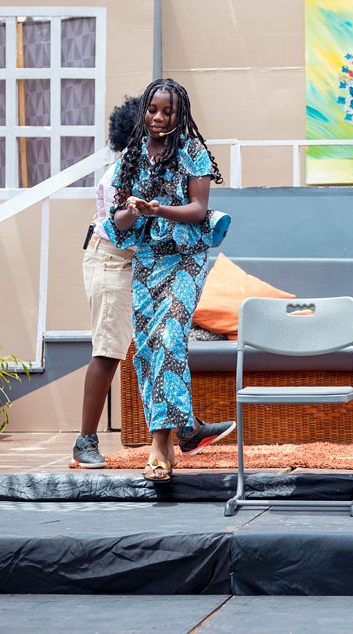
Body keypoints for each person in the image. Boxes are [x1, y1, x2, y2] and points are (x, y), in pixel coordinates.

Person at [106, 78, 236, 483]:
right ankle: (182, 432)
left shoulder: (192, 151)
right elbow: (118, 222)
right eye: (153, 110)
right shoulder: (132, 155)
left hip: (185, 259)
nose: (159, 118)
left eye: (168, 111)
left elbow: (198, 209)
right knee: (147, 348)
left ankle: (161, 445)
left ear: (181, 114)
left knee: (169, 337)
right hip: (147, 261)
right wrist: (133, 210)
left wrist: (159, 209)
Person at [72, 96, 143, 468]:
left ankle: (188, 428)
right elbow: (120, 226)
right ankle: (84, 441)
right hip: (112, 259)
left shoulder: (154, 164)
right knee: (109, 348)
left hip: (137, 261)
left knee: (157, 345)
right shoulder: (122, 170)